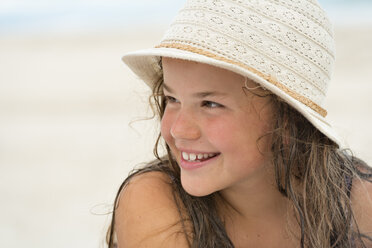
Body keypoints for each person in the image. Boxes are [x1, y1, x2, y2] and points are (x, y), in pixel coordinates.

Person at [106, 0, 372, 247]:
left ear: (288, 120)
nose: (178, 130)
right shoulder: (152, 198)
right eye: (172, 98)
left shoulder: (358, 201)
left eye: (210, 104)